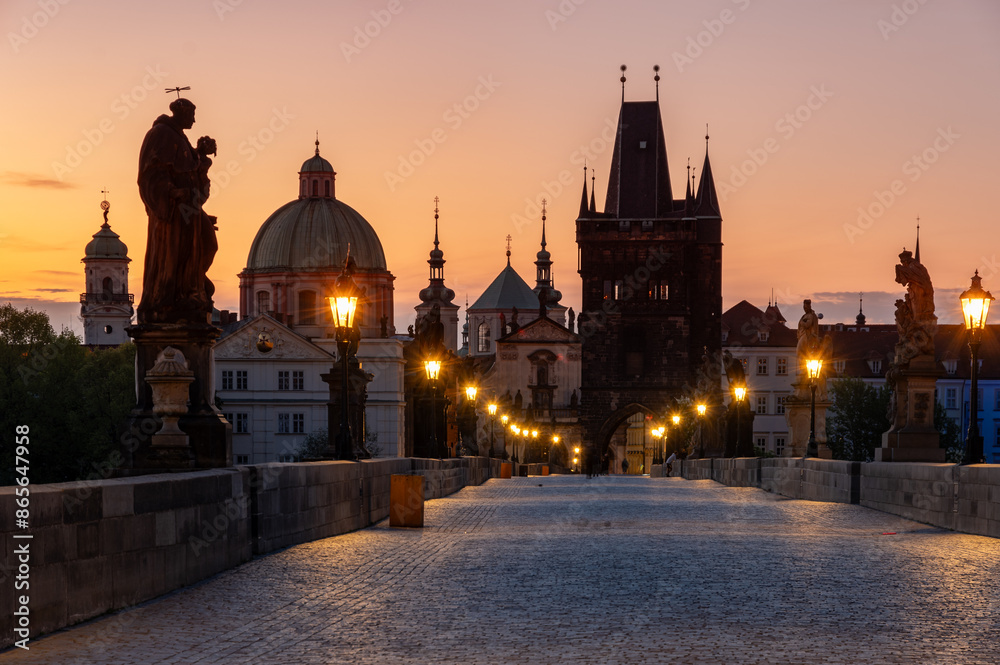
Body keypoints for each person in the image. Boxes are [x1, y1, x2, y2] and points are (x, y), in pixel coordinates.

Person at [137, 98, 219, 325]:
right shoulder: (161, 134)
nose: (194, 120)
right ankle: (170, 298)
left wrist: (201, 154)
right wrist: (172, 192)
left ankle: (192, 289)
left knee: (207, 245)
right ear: (181, 113)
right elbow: (150, 173)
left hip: (189, 210)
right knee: (175, 253)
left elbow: (193, 173)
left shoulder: (180, 139)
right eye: (192, 115)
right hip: (172, 212)